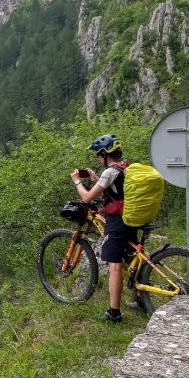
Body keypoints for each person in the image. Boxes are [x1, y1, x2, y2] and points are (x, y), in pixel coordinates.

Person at [71, 134, 138, 323]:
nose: (97, 158)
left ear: (104, 154)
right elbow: (115, 190)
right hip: (131, 216)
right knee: (134, 257)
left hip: (118, 221)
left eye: (97, 155)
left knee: (114, 265)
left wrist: (77, 180)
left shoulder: (110, 172)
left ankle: (114, 313)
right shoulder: (124, 166)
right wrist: (95, 179)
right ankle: (140, 299)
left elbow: (87, 198)